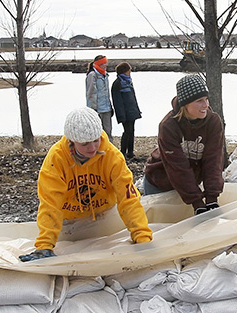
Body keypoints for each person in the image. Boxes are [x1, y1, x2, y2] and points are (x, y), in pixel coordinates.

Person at [19, 107, 152, 262]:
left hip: (104, 217)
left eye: (96, 140)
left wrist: (142, 237)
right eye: (85, 144)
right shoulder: (56, 160)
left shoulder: (112, 157)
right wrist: (44, 246)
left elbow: (128, 199)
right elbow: (50, 205)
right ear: (72, 141)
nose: (92, 148)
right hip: (69, 223)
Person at [143, 74, 225, 215]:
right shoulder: (168, 126)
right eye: (199, 101)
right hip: (161, 182)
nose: (206, 105)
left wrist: (211, 198)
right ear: (185, 104)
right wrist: (197, 202)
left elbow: (213, 161)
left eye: (206, 99)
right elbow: (178, 167)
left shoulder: (213, 122)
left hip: (190, 184)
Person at [111, 62, 142, 160]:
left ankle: (130, 152)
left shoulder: (128, 82)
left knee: (132, 131)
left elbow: (133, 97)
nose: (130, 72)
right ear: (125, 71)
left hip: (131, 110)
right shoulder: (117, 84)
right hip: (124, 112)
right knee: (127, 131)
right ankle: (123, 152)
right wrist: (121, 116)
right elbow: (117, 101)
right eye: (129, 70)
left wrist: (137, 110)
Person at [85, 55, 113, 141]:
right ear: (99, 64)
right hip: (97, 109)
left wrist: (110, 106)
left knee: (108, 132)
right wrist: (93, 109)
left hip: (106, 108)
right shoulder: (92, 75)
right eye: (104, 63)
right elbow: (91, 93)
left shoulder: (105, 75)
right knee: (97, 133)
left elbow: (107, 93)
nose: (106, 65)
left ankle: (109, 151)